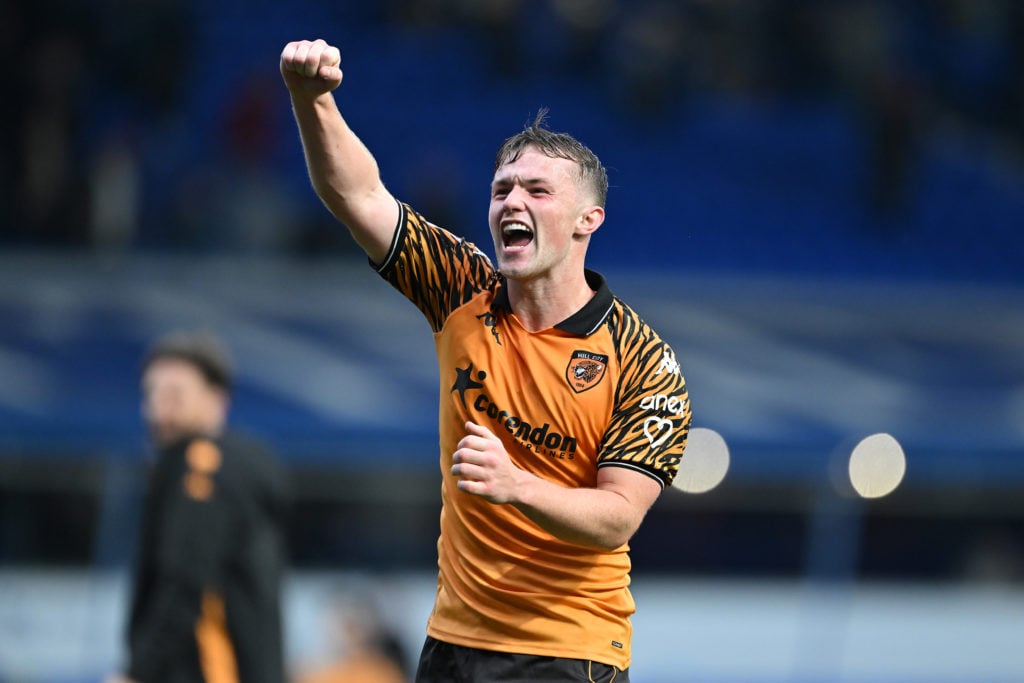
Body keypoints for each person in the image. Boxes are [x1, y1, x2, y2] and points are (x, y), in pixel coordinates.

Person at [281, 37, 691, 682]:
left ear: (589, 219)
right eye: (501, 190)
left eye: (537, 190)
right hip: (451, 642)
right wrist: (313, 101)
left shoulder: (643, 361)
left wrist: (517, 485)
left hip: (567, 649)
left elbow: (617, 517)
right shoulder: (459, 289)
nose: (511, 204)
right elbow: (359, 197)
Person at [108, 331, 289, 683]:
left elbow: (186, 579)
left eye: (175, 394)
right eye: (152, 394)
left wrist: (138, 672)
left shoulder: (202, 464)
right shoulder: (233, 465)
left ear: (217, 400)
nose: (159, 409)